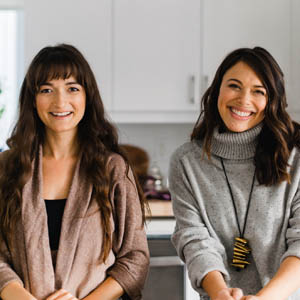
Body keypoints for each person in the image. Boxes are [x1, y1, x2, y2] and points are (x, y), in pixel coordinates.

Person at [0, 44, 149, 300]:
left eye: (72, 88)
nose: (60, 101)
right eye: (47, 90)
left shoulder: (112, 169)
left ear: (87, 97)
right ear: (33, 100)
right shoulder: (7, 167)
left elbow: (135, 258)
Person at [169, 47, 300, 300]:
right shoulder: (187, 162)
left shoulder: (295, 158)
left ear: (272, 101)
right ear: (217, 89)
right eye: (234, 86)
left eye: (258, 91)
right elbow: (195, 240)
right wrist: (220, 293)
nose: (243, 100)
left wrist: (264, 298)